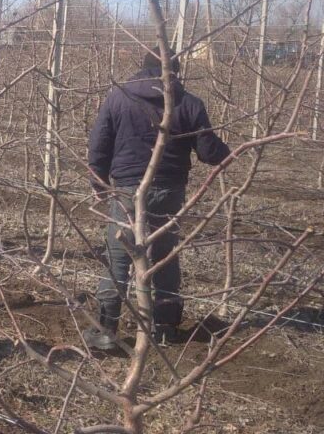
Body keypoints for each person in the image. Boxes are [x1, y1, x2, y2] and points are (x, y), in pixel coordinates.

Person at [85, 49, 230, 351]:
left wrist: (97, 182)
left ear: (143, 67)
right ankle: (164, 328)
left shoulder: (118, 97)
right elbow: (208, 152)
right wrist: (228, 151)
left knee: (118, 257)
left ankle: (105, 330)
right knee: (164, 256)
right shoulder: (188, 103)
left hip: (126, 188)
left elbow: (99, 143)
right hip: (169, 190)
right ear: (175, 71)